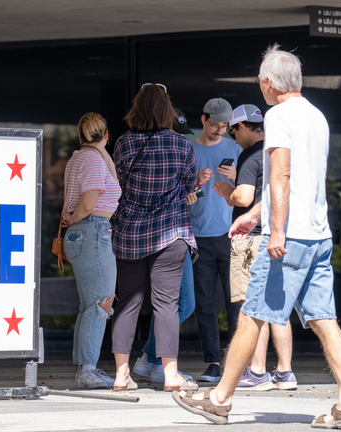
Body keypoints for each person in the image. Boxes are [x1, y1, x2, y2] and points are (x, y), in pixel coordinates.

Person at [173, 44, 341, 430]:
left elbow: (281, 175)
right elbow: (304, 181)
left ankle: (220, 399)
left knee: (251, 316)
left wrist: (273, 230)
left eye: (261, 81)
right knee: (326, 319)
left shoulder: (278, 116)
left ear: (269, 82)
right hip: (318, 236)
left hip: (288, 238)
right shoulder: (318, 116)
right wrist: (255, 214)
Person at [110, 84, 210, 392]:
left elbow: (119, 185)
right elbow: (189, 183)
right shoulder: (181, 145)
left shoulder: (125, 143)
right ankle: (170, 375)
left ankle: (122, 375)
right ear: (167, 112)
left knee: (127, 303)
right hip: (170, 233)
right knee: (167, 304)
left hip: (130, 234)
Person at [213, 104, 297, 391]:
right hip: (277, 236)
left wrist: (228, 191)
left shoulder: (250, 155)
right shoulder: (277, 153)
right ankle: (285, 372)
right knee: (277, 305)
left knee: (250, 306)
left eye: (234, 130)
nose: (233, 137)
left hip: (251, 239)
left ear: (244, 127)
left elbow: (245, 197)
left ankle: (257, 371)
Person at [133, 108, 196, 384]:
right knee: (176, 304)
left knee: (177, 304)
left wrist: (190, 191)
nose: (177, 138)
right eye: (173, 131)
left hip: (171, 234)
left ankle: (149, 359)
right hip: (170, 235)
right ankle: (157, 362)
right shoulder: (161, 149)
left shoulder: (171, 149)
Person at [61, 113, 120, 389]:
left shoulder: (81, 158)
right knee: (102, 302)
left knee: (90, 304)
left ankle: (85, 366)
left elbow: (111, 178)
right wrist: (73, 218)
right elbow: (88, 203)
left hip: (85, 234)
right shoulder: (93, 161)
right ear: (106, 135)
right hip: (92, 230)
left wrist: (100, 148)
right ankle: (88, 369)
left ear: (80, 135)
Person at [186, 98, 242, 383]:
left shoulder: (236, 149)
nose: (221, 130)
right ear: (203, 119)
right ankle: (212, 362)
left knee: (236, 303)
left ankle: (237, 362)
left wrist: (235, 179)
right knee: (205, 304)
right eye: (216, 124)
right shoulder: (189, 149)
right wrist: (194, 182)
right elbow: (176, 192)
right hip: (197, 236)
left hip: (231, 235)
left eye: (225, 125)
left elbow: (251, 192)